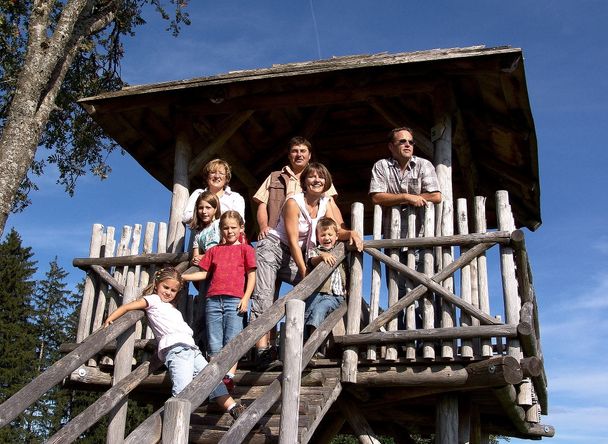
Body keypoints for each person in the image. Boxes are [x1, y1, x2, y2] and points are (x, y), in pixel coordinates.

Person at [251, 162, 362, 369]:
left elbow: (338, 230)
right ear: (304, 181)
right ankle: (261, 350)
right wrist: (303, 271)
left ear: (326, 182)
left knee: (318, 289)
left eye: (321, 177)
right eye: (312, 177)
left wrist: (353, 233)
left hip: (298, 254)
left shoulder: (326, 202)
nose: (316, 180)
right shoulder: (293, 201)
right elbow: (293, 240)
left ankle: (309, 345)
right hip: (275, 247)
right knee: (265, 294)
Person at [103, 267, 245, 420]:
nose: (168, 292)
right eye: (166, 287)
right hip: (176, 349)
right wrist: (111, 318)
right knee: (183, 391)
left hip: (192, 349)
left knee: (213, 378)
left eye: (173, 290)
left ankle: (233, 408)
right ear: (157, 284)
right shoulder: (153, 300)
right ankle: (175, 423)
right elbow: (128, 306)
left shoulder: (171, 307)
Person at [369, 126, 442, 328]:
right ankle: (400, 340)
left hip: (420, 238)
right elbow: (376, 197)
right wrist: (406, 197)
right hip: (392, 239)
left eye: (410, 141)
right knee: (397, 292)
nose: (408, 145)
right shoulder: (382, 166)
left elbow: (436, 195)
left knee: (424, 290)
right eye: (402, 141)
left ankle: (429, 339)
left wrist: (401, 199)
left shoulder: (423, 165)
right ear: (391, 146)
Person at [182, 211, 256, 392]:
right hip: (213, 300)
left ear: (241, 228)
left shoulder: (246, 249)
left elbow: (251, 275)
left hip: (235, 300)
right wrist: (183, 276)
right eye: (225, 228)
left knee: (231, 340)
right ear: (220, 230)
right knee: (214, 342)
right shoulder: (214, 251)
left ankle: (228, 378)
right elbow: (205, 273)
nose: (229, 231)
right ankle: (216, 378)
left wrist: (245, 298)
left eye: (233, 228)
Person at [253, 136, 336, 240]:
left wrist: (338, 231)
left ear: (309, 155)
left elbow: (332, 205)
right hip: (278, 236)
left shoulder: (321, 177)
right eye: (295, 151)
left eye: (303, 151)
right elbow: (262, 204)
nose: (299, 154)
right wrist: (264, 227)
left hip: (312, 237)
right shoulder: (274, 177)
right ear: (289, 155)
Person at [304, 217, 347, 349]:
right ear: (317, 237)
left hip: (335, 295)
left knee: (319, 310)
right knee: (306, 314)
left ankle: (312, 348)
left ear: (336, 236)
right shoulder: (315, 251)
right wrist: (322, 256)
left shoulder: (341, 251)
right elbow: (311, 261)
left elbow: (348, 272)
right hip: (317, 293)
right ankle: (303, 345)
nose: (326, 238)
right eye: (323, 235)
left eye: (330, 234)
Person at [188, 191, 221, 352]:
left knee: (214, 311)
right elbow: (196, 255)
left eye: (208, 207)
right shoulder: (199, 232)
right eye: (201, 208)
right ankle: (201, 346)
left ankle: (213, 347)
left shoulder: (219, 225)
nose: (204, 211)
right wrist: (197, 258)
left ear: (215, 209)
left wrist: (203, 256)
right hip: (205, 275)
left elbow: (219, 248)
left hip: (218, 272)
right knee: (203, 310)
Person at [183, 158, 246, 224]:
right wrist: (207, 214)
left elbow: (239, 221)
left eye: (221, 173)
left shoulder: (235, 198)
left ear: (226, 178)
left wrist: (213, 214)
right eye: (212, 173)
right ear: (207, 177)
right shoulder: (198, 193)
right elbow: (186, 217)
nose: (217, 176)